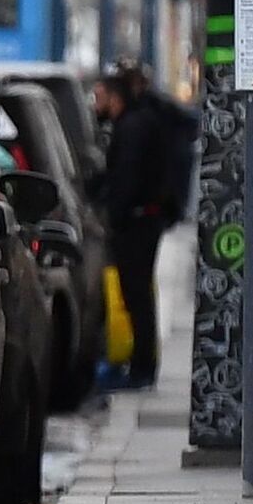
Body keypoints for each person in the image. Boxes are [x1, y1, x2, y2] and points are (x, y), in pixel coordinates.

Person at [93, 62, 183, 388]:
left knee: (137, 294)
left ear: (114, 96)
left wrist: (114, 214)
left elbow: (127, 178)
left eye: (99, 95)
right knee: (136, 294)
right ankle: (140, 362)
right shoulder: (139, 122)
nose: (95, 102)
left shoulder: (132, 127)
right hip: (143, 218)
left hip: (138, 222)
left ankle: (142, 366)